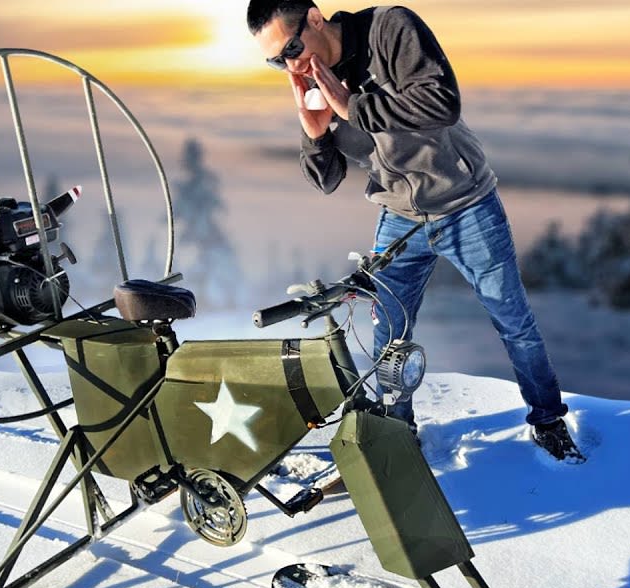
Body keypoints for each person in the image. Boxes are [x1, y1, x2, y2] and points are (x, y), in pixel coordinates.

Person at [247, 1, 585, 463]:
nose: (291, 64)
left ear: (314, 18)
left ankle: (548, 422)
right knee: (388, 334)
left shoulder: (389, 29)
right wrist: (314, 131)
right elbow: (325, 180)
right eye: (276, 60)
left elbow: (442, 102)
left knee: (514, 323)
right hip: (400, 216)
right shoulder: (313, 80)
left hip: (466, 203)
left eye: (291, 47)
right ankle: (398, 431)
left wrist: (353, 106)